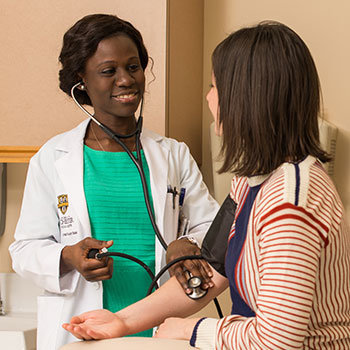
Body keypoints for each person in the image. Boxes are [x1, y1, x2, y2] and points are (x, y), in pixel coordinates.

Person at [62, 21, 350, 349]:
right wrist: (123, 321)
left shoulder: (291, 197)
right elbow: (210, 271)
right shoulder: (252, 181)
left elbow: (277, 341)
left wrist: (192, 330)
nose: (209, 98)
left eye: (215, 87)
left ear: (244, 98)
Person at [9, 14, 219, 350]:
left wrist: (184, 243)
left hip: (157, 329)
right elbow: (23, 250)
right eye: (109, 71)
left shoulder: (174, 155)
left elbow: (215, 228)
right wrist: (68, 256)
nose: (126, 80)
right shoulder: (52, 158)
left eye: (133, 67)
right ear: (82, 81)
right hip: (84, 329)